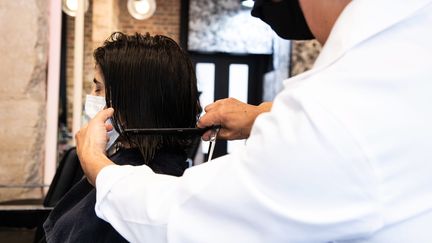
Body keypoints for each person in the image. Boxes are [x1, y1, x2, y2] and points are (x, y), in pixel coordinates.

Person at [76, 0, 432, 242]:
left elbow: (186, 219)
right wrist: (261, 115)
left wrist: (97, 166)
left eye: (97, 87)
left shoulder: (336, 112)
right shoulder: (406, 49)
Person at [42, 32, 201, 243]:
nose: (91, 96)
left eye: (98, 88)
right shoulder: (123, 167)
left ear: (131, 104)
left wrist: (93, 158)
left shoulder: (145, 188)